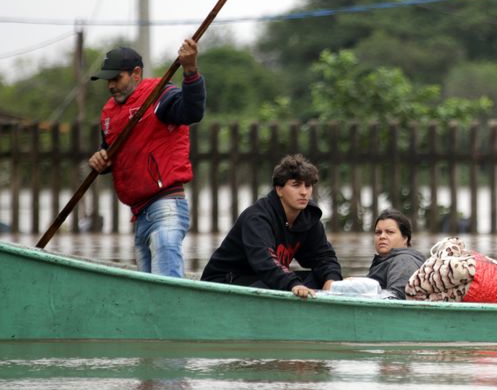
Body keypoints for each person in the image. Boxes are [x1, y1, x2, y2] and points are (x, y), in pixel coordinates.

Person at [88, 40, 205, 277]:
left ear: (136, 74)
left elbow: (192, 112)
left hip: (166, 208)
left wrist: (190, 71)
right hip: (140, 216)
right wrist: (101, 161)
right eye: (107, 81)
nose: (111, 86)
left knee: (165, 289)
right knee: (149, 295)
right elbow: (112, 151)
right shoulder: (109, 112)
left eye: (116, 79)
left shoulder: (160, 96)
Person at [200, 154, 342, 299]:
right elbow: (264, 261)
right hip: (226, 282)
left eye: (308, 185)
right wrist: (293, 284)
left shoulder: (308, 218)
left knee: (319, 277)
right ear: (279, 190)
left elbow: (324, 256)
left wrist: (331, 280)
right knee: (281, 284)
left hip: (264, 279)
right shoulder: (257, 218)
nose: (304, 192)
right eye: (296, 185)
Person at [367, 208, 426, 299]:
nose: (382, 236)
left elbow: (396, 299)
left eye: (389, 232)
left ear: (405, 238)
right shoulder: (388, 260)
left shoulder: (404, 261)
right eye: (378, 232)